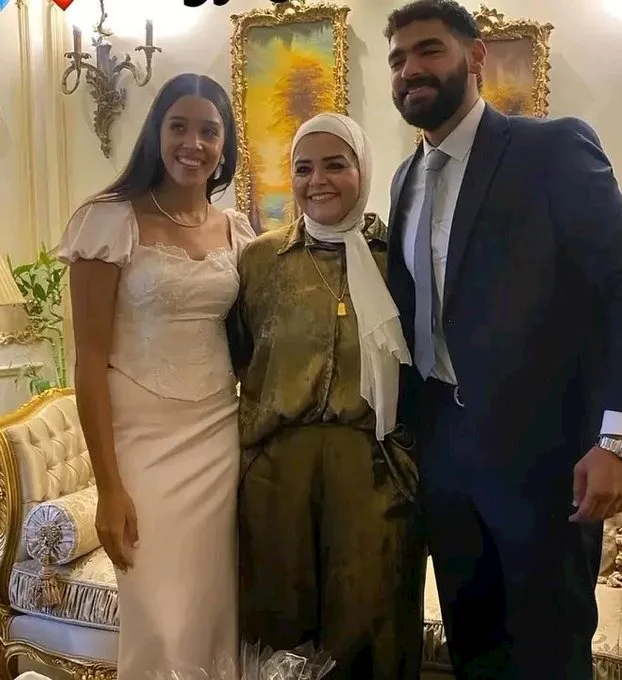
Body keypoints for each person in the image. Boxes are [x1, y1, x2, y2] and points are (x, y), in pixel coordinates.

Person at [382, 2, 622, 679]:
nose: (410, 69)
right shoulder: (404, 179)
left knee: (549, 655)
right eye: (396, 59)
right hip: (444, 461)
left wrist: (619, 441)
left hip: (544, 465)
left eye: (428, 50)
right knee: (473, 652)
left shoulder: (550, 149)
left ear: (475, 56)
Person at [56, 73, 255, 679]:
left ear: (225, 145)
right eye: (179, 127)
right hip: (141, 443)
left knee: (216, 609)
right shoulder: (108, 220)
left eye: (209, 131)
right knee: (161, 619)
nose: (193, 143)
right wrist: (108, 489)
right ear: (156, 133)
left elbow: (247, 344)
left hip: (219, 438)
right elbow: (89, 362)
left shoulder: (237, 230)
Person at [230, 113, 426, 680]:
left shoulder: (400, 260)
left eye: (335, 165)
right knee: (277, 630)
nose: (318, 180)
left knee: (372, 631)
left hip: (374, 471)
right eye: (303, 168)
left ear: (362, 169)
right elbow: (238, 355)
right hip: (276, 475)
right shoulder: (261, 260)